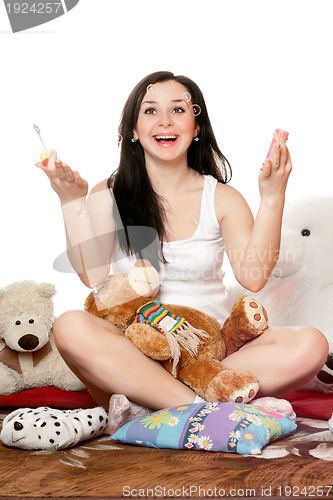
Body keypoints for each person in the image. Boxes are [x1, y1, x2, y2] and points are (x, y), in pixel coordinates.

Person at [36, 71, 328, 412]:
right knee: (70, 326)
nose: (165, 121)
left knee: (311, 344)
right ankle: (197, 408)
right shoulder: (109, 193)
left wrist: (273, 196)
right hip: (135, 351)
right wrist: (71, 200)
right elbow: (94, 277)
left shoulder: (222, 198)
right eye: (150, 111)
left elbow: (253, 276)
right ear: (132, 130)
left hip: (209, 353)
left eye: (178, 110)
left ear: (197, 126)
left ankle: (160, 403)